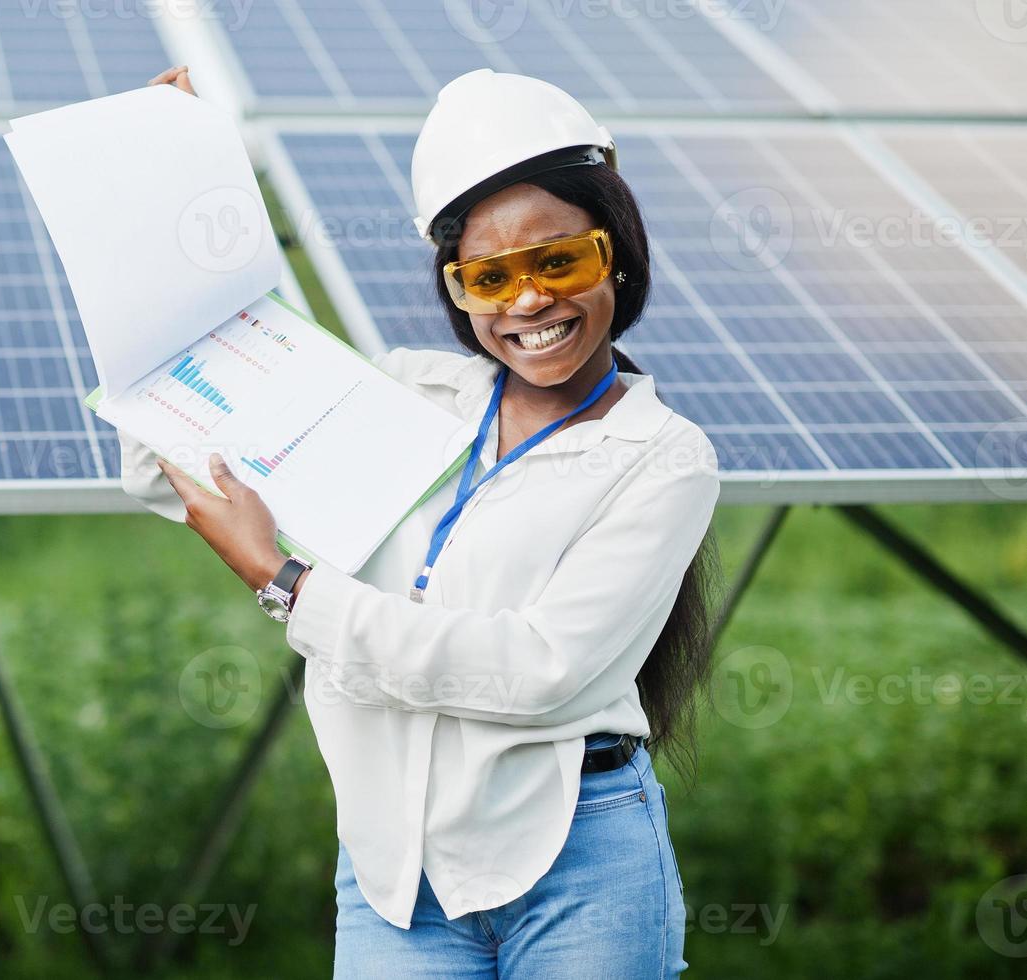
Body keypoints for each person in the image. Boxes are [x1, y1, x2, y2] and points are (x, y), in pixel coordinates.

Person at [121, 64, 722, 978]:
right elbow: (176, 450)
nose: (527, 302)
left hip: (581, 865)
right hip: (391, 876)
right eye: (489, 277)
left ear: (619, 254)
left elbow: (538, 674)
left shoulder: (663, 456)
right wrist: (169, 200)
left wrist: (285, 584)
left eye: (560, 261)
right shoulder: (407, 394)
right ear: (456, 288)